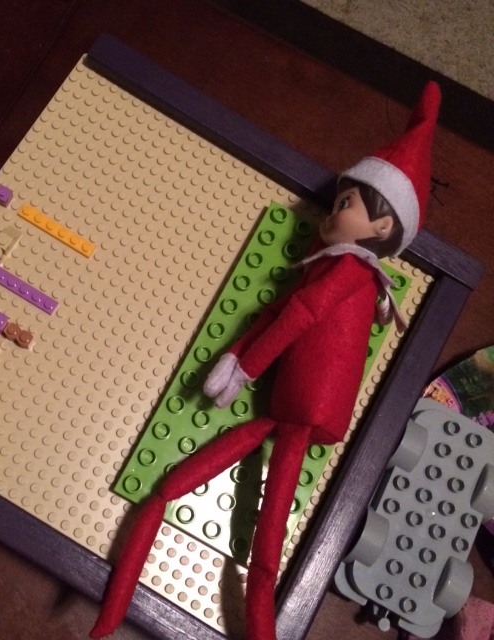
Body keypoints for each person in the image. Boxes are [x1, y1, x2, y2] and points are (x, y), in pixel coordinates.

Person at [91, 81, 441, 640]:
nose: (333, 212)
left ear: (382, 227)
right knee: (174, 490)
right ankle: (110, 613)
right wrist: (235, 353)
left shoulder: (352, 271)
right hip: (283, 412)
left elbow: (301, 314)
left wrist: (248, 367)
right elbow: (279, 309)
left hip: (302, 415)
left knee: (266, 552)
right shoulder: (331, 263)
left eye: (346, 204)